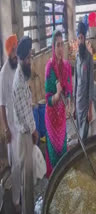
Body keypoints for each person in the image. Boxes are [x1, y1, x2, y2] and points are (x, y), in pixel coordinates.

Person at [12, 36, 38, 214]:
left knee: (28, 177)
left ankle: (28, 207)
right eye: (28, 58)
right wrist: (35, 131)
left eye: (31, 57)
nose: (30, 60)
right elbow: (26, 116)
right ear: (20, 59)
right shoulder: (19, 83)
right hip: (24, 135)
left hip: (25, 132)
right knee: (26, 180)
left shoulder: (22, 75)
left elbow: (27, 108)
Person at [44, 30, 72, 178]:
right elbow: (48, 100)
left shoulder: (66, 66)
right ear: (53, 48)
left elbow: (68, 90)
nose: (61, 48)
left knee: (63, 151)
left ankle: (62, 181)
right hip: (52, 118)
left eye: (62, 44)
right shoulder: (49, 69)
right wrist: (56, 95)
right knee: (54, 154)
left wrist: (68, 103)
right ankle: (54, 183)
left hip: (61, 118)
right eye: (58, 45)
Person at [0, 34, 21, 213]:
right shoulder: (4, 73)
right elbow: (2, 104)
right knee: (15, 164)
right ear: (9, 53)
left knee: (22, 160)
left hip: (21, 122)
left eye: (17, 50)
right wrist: (6, 128)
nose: (16, 54)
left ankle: (20, 190)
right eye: (13, 51)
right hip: (12, 127)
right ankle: (15, 201)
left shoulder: (18, 65)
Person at [74, 22, 94, 140]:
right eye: (78, 38)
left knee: (84, 135)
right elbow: (75, 81)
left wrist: (90, 110)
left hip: (86, 104)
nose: (80, 41)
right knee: (78, 134)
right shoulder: (76, 57)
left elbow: (91, 85)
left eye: (82, 38)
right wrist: (73, 107)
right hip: (77, 103)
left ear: (85, 39)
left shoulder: (89, 58)